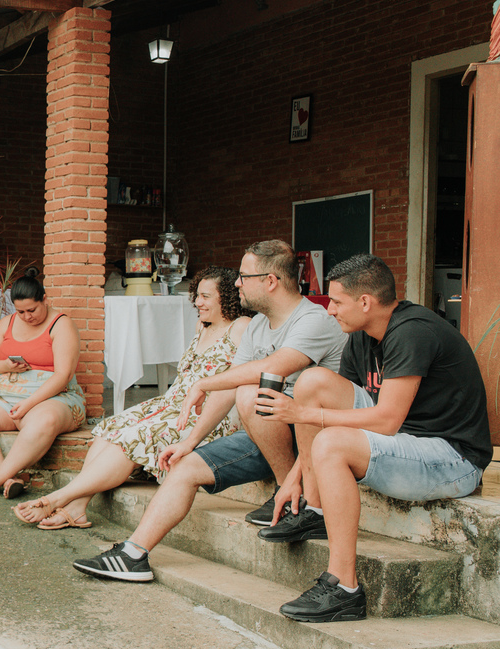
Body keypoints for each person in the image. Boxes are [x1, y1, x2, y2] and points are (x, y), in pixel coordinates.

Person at [71, 240, 346, 583]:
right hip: (263, 431)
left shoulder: (313, 320)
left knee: (250, 391)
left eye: (245, 276)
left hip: (309, 436)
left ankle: (292, 491)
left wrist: (205, 384)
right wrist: (190, 440)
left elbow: (275, 367)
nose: (238, 284)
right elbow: (229, 387)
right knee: (185, 465)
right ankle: (132, 555)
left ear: (271, 281)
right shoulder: (258, 324)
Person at [254, 254, 490, 622]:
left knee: (332, 443)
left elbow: (386, 421)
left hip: (453, 458)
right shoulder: (362, 336)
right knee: (313, 381)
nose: (329, 310)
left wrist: (301, 416)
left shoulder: (412, 331)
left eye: (336, 301)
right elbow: (337, 412)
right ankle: (315, 508)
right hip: (407, 439)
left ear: (365, 302)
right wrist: (297, 476)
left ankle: (343, 588)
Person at [14, 266, 250, 529]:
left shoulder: (241, 327)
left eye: (205, 296)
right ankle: (78, 507)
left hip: (207, 416)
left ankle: (60, 497)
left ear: (226, 296)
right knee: (110, 429)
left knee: (134, 437)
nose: (197, 302)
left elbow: (245, 376)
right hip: (171, 405)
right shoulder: (202, 325)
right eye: (197, 295)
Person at [0, 268, 87, 499]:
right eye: (21, 311)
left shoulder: (61, 324)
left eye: (32, 310)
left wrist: (29, 404)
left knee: (44, 420)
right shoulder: (7, 323)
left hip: (51, 396)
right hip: (4, 394)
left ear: (44, 299)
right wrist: (6, 366)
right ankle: (7, 479)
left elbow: (63, 375)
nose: (27, 316)